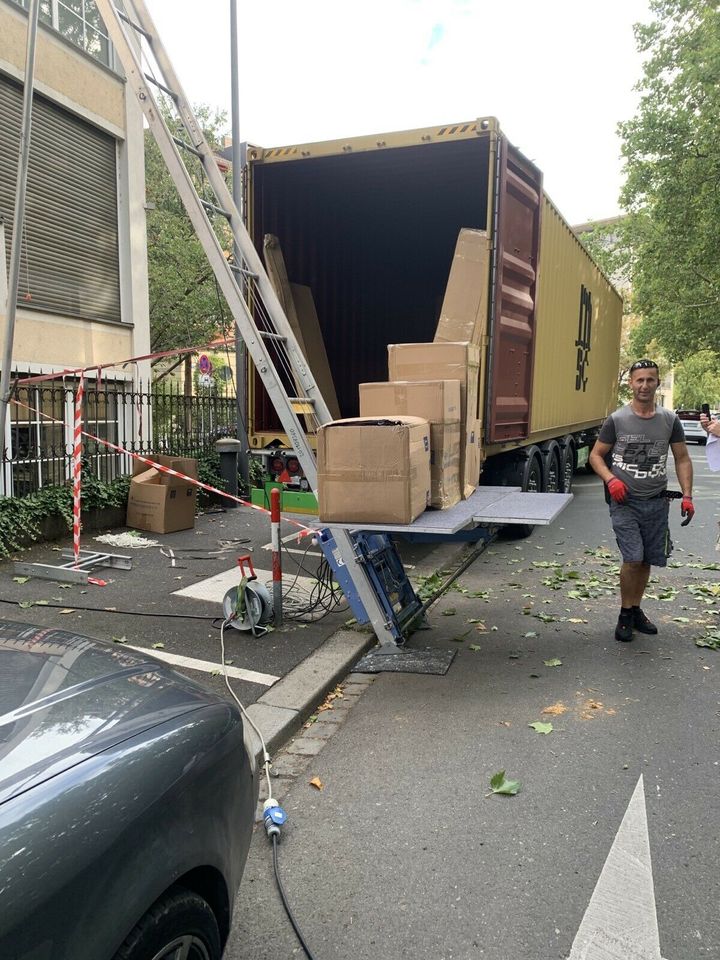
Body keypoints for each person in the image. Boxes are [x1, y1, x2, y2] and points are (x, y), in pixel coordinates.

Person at [589, 359, 694, 642]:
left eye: (650, 379)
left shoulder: (669, 420)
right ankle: (624, 613)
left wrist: (687, 496)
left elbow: (682, 458)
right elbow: (595, 456)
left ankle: (635, 609)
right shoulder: (618, 419)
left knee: (646, 559)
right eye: (639, 380)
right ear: (631, 383)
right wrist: (611, 480)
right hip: (625, 502)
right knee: (633, 557)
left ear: (657, 382)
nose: (644, 385)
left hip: (657, 501)